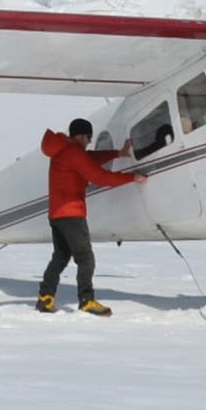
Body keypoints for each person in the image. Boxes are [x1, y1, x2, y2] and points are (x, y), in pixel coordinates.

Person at [35, 118, 135, 314]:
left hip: (57, 214)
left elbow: (90, 158)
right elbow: (100, 177)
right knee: (85, 258)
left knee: (60, 257)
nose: (90, 141)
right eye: (89, 137)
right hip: (71, 214)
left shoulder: (64, 150)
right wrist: (132, 177)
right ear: (81, 136)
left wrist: (117, 153)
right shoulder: (74, 152)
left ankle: (45, 298)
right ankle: (86, 300)